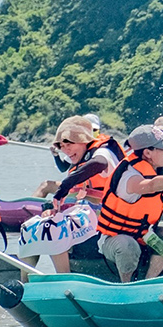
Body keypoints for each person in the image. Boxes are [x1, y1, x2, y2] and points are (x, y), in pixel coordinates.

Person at [92, 126, 163, 282]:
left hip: (143, 236)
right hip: (114, 240)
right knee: (128, 245)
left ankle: (148, 280)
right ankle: (126, 284)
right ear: (147, 153)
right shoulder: (130, 176)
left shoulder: (159, 173)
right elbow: (149, 186)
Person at [35, 113, 125, 272]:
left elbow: (99, 163)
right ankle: (30, 279)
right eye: (61, 146)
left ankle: (64, 277)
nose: (65, 149)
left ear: (84, 139)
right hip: (88, 221)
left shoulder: (104, 152)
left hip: (110, 225)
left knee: (54, 227)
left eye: (69, 143)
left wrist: (66, 185)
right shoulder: (79, 154)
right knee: (42, 223)